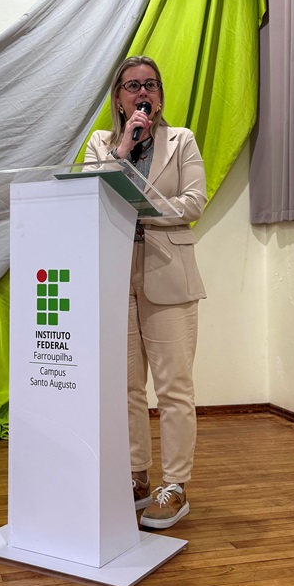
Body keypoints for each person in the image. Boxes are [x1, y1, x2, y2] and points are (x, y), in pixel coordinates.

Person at [85, 56, 207, 529]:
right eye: (133, 86)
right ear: (118, 98)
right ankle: (136, 475)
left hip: (167, 271)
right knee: (126, 386)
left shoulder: (182, 141)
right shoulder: (102, 144)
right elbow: (90, 195)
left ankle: (175, 485)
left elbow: (193, 202)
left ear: (160, 95)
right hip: (116, 275)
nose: (143, 93)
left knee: (174, 387)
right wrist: (123, 148)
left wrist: (141, 208)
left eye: (151, 85)